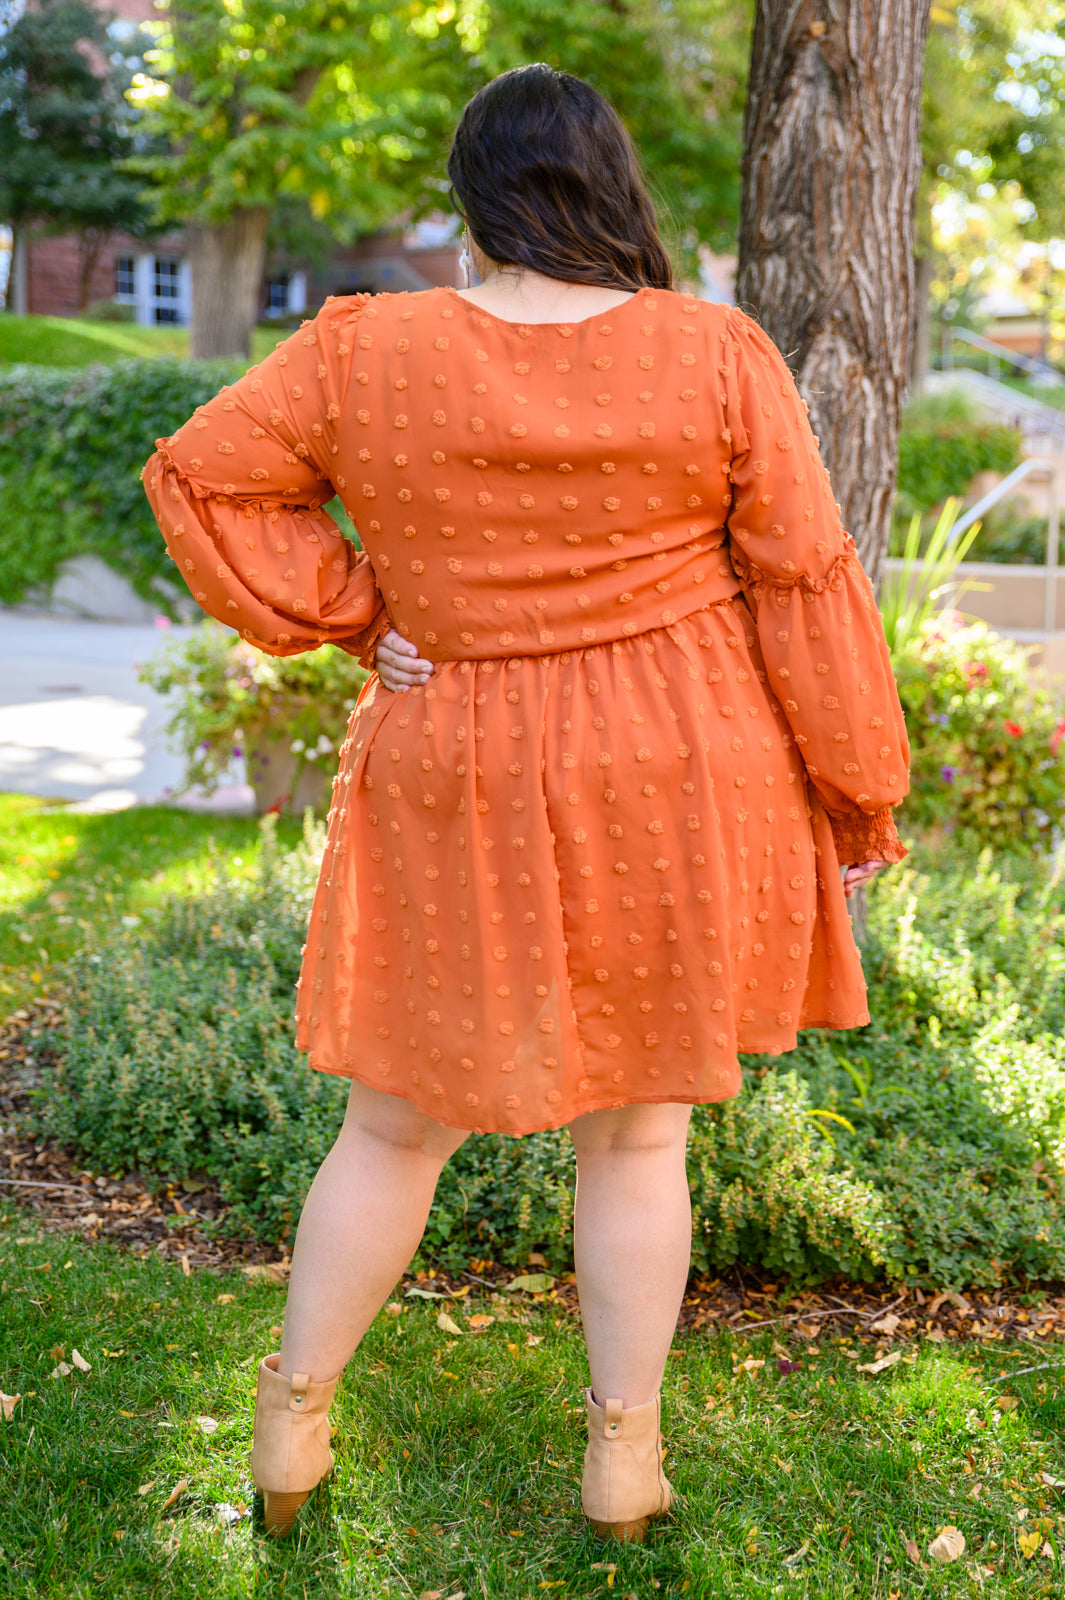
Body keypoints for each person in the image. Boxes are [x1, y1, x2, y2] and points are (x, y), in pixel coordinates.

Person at [142, 62, 908, 1543]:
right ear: (611, 184)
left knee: (389, 1130)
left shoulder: (366, 348)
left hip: (461, 746)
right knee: (637, 1142)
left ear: (472, 195)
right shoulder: (713, 350)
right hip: (678, 759)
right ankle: (621, 1460)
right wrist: (858, 791)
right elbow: (803, 582)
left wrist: (364, 612)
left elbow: (203, 480)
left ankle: (292, 1424)